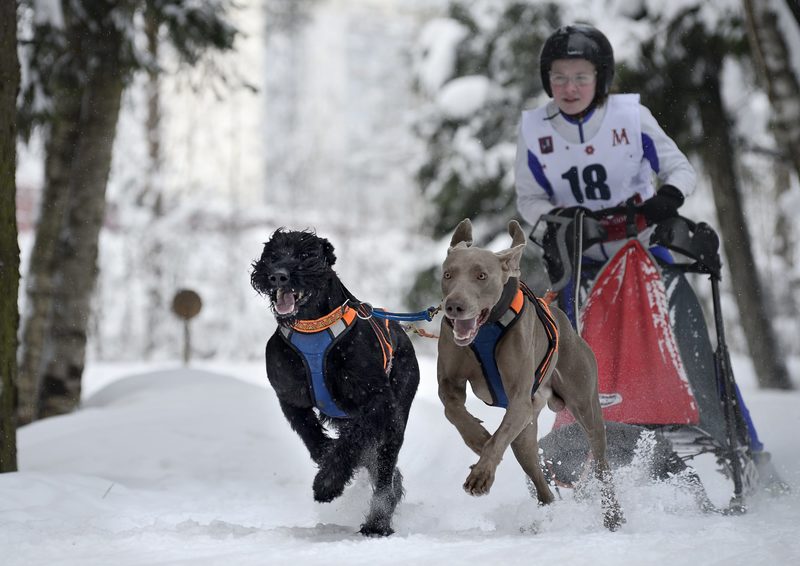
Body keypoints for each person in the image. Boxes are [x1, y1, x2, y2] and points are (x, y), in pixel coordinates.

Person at [514, 23, 695, 320]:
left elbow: (681, 169)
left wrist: (667, 198)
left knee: (678, 325)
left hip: (642, 242)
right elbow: (528, 198)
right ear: (548, 81)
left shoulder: (631, 117)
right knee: (574, 346)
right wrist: (562, 220)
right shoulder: (534, 130)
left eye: (581, 78)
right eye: (559, 78)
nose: (569, 89)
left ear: (601, 77)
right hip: (578, 256)